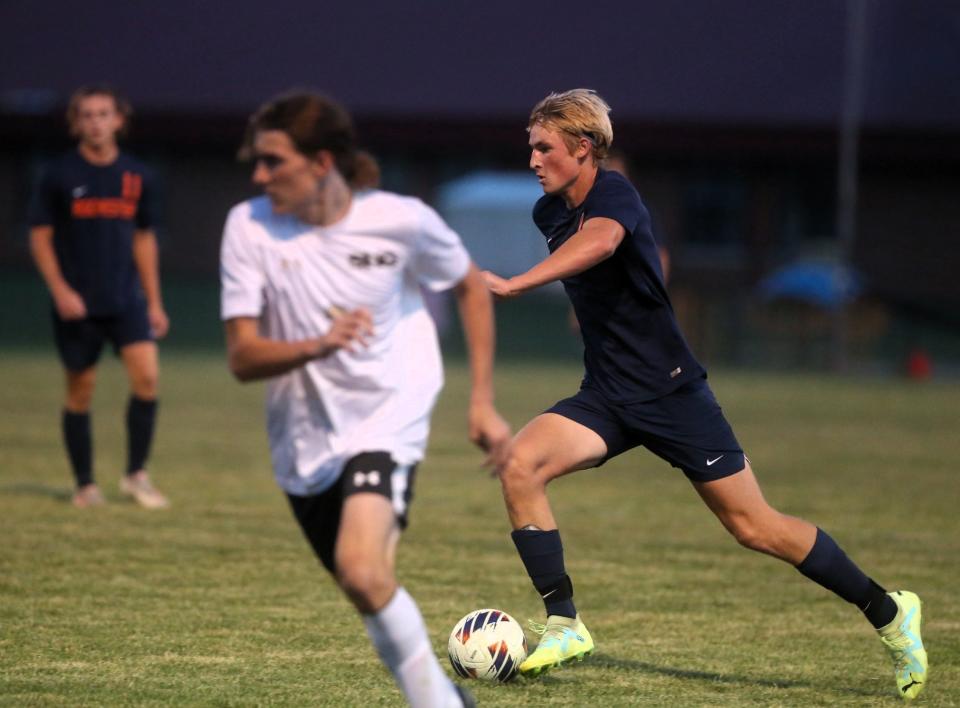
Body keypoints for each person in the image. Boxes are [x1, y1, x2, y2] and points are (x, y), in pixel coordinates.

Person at [482, 89, 927, 699]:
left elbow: (605, 243)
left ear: (583, 148)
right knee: (518, 465)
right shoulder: (548, 212)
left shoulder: (616, 193)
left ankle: (890, 610)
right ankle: (564, 623)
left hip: (672, 396)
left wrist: (514, 285)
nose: (532, 159)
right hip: (608, 395)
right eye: (530, 147)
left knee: (755, 527)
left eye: (543, 147)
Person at [219, 91, 511, 707]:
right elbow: (243, 357)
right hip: (302, 438)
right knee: (364, 586)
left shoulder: (401, 220)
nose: (259, 176)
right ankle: (451, 700)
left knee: (361, 568)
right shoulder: (248, 227)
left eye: (274, 162)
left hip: (388, 413)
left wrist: (481, 401)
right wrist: (319, 344)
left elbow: (470, 286)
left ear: (321, 161)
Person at [28, 85, 170, 510]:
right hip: (79, 303)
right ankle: (85, 485)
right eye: (87, 115)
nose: (96, 122)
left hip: (126, 299)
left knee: (147, 379)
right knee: (80, 392)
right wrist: (60, 290)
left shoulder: (138, 176)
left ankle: (136, 476)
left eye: (103, 114)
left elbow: (144, 239)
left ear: (119, 121)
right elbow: (39, 236)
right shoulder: (59, 175)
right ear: (76, 123)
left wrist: (154, 301)